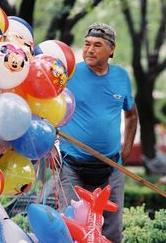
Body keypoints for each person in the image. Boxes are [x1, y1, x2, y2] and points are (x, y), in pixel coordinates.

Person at [59, 23, 138, 243]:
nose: (89, 50)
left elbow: (131, 114)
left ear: (111, 50)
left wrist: (127, 149)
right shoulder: (70, 73)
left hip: (111, 167)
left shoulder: (121, 77)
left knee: (111, 230)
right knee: (72, 227)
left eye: (97, 45)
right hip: (72, 164)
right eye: (86, 44)